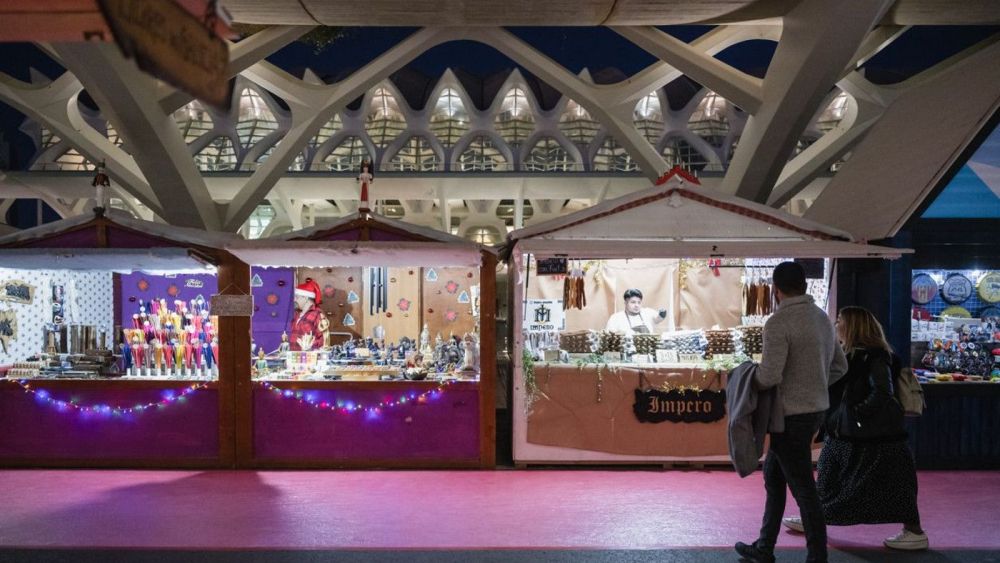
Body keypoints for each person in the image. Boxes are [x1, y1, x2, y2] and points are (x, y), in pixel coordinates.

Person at [782, 306, 928, 551]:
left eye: (840, 320)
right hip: (847, 432)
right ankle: (813, 516)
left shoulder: (875, 356)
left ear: (852, 326)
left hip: (871, 435)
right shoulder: (850, 354)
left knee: (892, 484)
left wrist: (859, 414)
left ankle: (914, 531)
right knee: (828, 474)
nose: (835, 324)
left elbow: (883, 391)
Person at [735, 262, 848, 563]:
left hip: (788, 416)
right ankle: (764, 547)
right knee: (774, 478)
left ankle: (817, 557)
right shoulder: (822, 318)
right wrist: (815, 384)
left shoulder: (778, 322)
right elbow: (840, 367)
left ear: (775, 289)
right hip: (815, 411)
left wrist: (745, 376)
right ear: (805, 286)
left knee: (804, 490)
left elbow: (769, 376)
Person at [605, 288, 672, 335]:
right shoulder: (616, 318)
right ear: (625, 303)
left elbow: (658, 318)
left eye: (639, 302)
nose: (637, 305)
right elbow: (609, 336)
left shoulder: (647, 313)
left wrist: (662, 314)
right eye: (633, 302)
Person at [290, 278, 328, 351]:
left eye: (297, 297)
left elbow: (323, 340)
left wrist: (309, 347)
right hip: (294, 356)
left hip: (308, 356)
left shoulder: (318, 314)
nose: (294, 300)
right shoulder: (297, 314)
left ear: (305, 298)